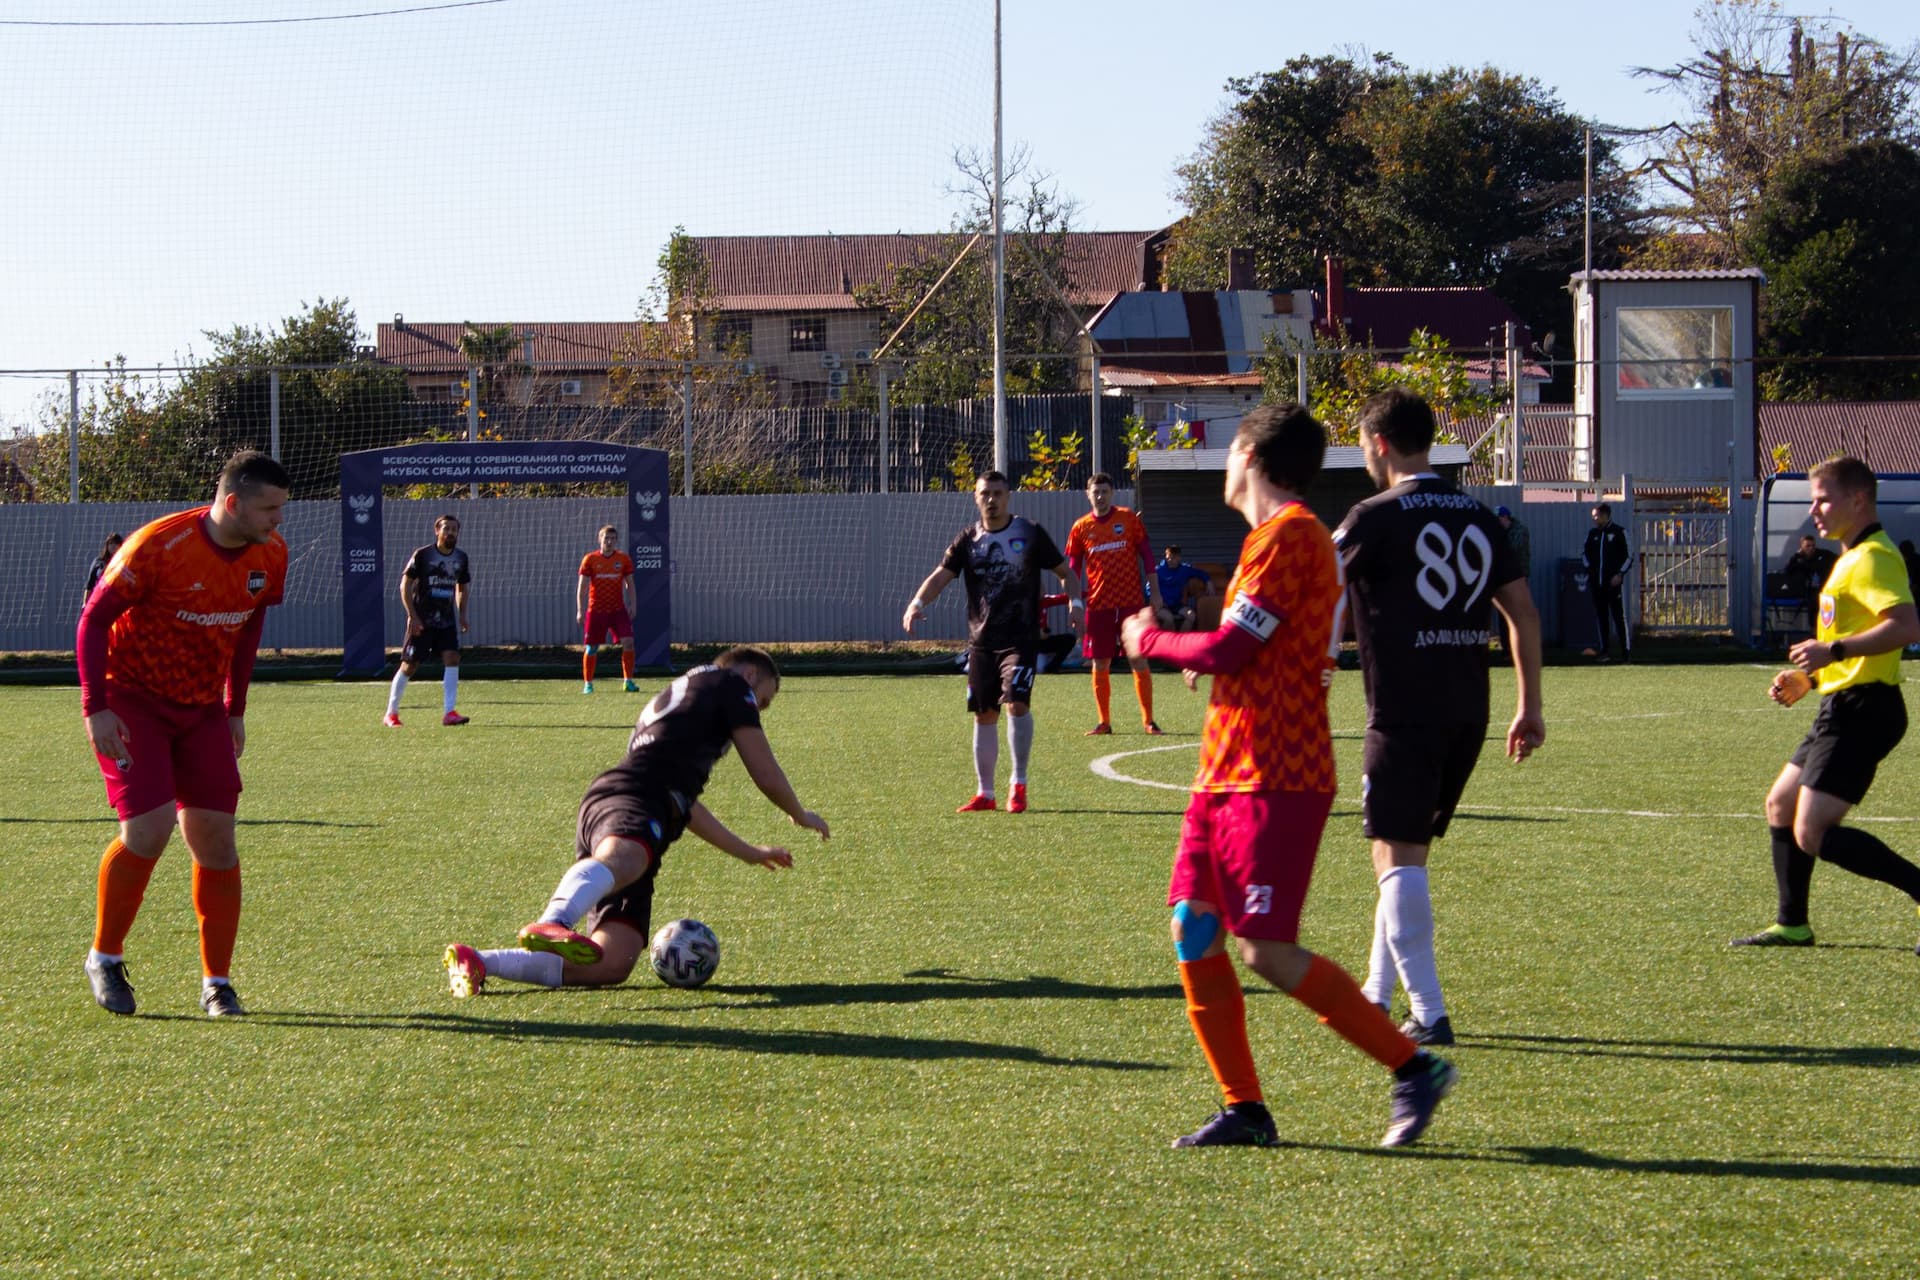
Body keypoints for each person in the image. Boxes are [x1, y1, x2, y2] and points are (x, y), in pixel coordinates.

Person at [1119, 402, 1457, 1151]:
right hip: (1225, 772)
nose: (1224, 465)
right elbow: (1241, 648)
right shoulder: (1269, 539)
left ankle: (1414, 1067)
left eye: (1228, 451)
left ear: (1248, 454)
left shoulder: (1292, 536)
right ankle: (1245, 1108)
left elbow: (1230, 649)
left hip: (1278, 771)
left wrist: (1150, 638)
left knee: (1264, 948)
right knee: (1193, 928)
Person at [1335, 389, 1546, 1046]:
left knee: (1395, 855)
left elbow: (1314, 582)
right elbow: (1523, 614)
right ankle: (1376, 993)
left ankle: (1428, 1014)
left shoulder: (1372, 516)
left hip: (1403, 710)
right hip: (1467, 709)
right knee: (1402, 853)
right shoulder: (1479, 516)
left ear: (1379, 444)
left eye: (1363, 447)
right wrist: (1530, 706)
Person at [445, 646, 829, 995]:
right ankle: (554, 920)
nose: (759, 709)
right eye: (763, 700)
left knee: (612, 961)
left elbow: (687, 808)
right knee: (626, 857)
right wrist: (799, 813)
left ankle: (480, 961)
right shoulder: (731, 684)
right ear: (750, 675)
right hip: (633, 800)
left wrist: (747, 852)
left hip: (632, 803)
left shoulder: (691, 699)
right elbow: (764, 771)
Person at [76, 451, 291, 1017]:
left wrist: (234, 708)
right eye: (269, 508)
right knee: (147, 831)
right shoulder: (158, 546)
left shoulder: (271, 553)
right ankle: (105, 955)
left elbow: (249, 627)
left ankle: (217, 983)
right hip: (132, 701)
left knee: (216, 840)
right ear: (233, 503)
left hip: (201, 711)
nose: (278, 520)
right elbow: (93, 620)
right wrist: (96, 708)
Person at [1733, 456, 1920, 950]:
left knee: (1812, 830)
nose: (1813, 510)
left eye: (1823, 500)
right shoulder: (1849, 558)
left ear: (1858, 500)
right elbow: (1856, 645)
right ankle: (1792, 924)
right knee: (1781, 804)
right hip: (1841, 703)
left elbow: (1906, 626)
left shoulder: (1874, 557)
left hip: (1866, 710)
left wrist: (1831, 651)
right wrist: (1811, 679)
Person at [903, 470, 1082, 814]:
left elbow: (1066, 573)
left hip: (1020, 640)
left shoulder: (1029, 532)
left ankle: (1019, 783)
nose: (991, 500)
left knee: (1016, 703)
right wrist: (916, 604)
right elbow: (941, 576)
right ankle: (985, 793)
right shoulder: (968, 540)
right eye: (985, 493)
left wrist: (1076, 604)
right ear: (976, 497)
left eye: (997, 493)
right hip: (982, 643)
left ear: (1008, 496)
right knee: (984, 714)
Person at [1065, 472, 1161, 735]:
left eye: (1104, 491)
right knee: (1100, 663)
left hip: (1131, 603)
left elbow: (1147, 555)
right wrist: (1074, 602)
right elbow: (1072, 570)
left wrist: (1155, 592)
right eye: (1095, 492)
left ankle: (1149, 721)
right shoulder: (1081, 527)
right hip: (1099, 605)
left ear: (1112, 493)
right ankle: (1104, 722)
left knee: (1138, 659)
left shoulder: (1128, 519)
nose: (1100, 496)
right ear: (1088, 494)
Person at [383, 513, 471, 727]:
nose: (450, 532)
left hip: (446, 621)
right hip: (422, 620)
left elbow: (462, 586)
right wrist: (412, 615)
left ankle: (449, 712)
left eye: (454, 529)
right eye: (446, 528)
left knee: (452, 658)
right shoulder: (422, 555)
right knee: (410, 665)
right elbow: (405, 585)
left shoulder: (461, 558)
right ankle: (391, 713)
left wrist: (462, 615)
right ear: (437, 531)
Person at [578, 524, 638, 694]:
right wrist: (580, 609)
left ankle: (628, 681)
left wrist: (633, 604)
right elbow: (582, 587)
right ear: (600, 540)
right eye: (606, 538)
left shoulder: (623, 559)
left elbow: (630, 584)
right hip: (596, 610)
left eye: (612, 538)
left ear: (616, 540)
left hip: (617, 610)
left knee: (628, 642)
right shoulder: (590, 559)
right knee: (592, 647)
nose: (609, 542)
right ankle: (588, 684)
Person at [1582, 502, 1631, 661]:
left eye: (1596, 516)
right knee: (1601, 617)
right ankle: (1605, 652)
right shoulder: (1592, 534)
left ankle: (1626, 652)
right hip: (1598, 584)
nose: (1594, 519)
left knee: (1618, 617)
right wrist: (1591, 571)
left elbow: (1629, 556)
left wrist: (1620, 574)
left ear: (1604, 515)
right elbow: (1584, 554)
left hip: (1614, 585)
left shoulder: (1619, 532)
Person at [1784, 534, 1837, 635]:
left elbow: (1838, 560)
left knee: (1821, 603)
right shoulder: (1799, 558)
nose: (1811, 548)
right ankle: (1814, 631)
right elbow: (1787, 570)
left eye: (1813, 546)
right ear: (1802, 547)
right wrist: (1796, 556)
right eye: (1808, 546)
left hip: (1823, 589)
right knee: (1813, 603)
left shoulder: (1823, 555)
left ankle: (1822, 631)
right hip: (1808, 590)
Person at [1154, 545, 1211, 632]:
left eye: (1173, 558)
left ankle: (1180, 638)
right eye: (1168, 558)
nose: (1170, 560)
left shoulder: (1184, 570)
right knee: (1169, 619)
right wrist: (1157, 600)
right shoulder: (1158, 570)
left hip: (1177, 605)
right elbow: (1149, 589)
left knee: (1191, 616)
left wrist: (1208, 582)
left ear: (1179, 558)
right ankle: (1166, 639)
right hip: (1162, 606)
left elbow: (1200, 573)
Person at [82, 533, 124, 605]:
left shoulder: (124, 562)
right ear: (107, 546)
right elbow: (90, 584)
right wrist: (85, 603)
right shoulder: (98, 562)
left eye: (116, 543)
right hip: (100, 597)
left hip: (118, 599)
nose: (113, 546)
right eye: (111, 543)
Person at [1494, 506, 1531, 578]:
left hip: (1518, 572)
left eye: (1498, 518)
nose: (1496, 521)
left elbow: (1514, 547)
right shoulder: (1499, 530)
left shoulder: (1520, 530)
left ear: (1505, 517)